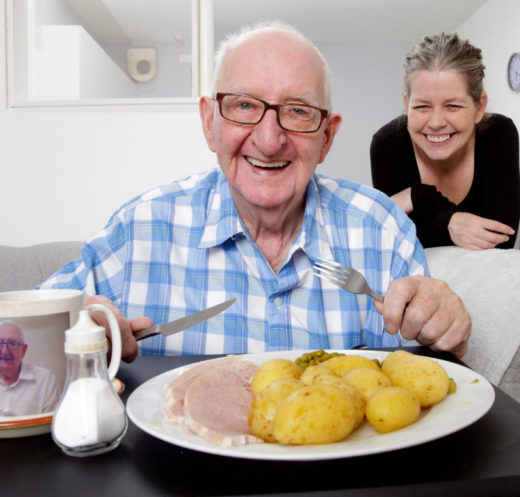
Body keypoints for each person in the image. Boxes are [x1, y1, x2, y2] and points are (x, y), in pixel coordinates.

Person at [39, 21, 470, 361]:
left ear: (327, 137)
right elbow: (20, 333)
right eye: (244, 106)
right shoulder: (140, 229)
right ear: (210, 123)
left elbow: (425, 374)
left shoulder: (380, 227)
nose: (268, 140)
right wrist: (73, 332)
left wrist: (443, 329)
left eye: (297, 111)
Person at [371, 33, 520, 250]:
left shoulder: (499, 134)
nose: (436, 123)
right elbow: (393, 242)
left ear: (479, 107)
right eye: (422, 106)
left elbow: (500, 239)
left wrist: (418, 199)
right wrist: (449, 224)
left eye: (453, 106)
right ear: (406, 104)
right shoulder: (388, 145)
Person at [0, 322, 60, 416]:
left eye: (12, 343)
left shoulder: (45, 380)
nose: (4, 350)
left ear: (23, 350)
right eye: (0, 342)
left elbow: (51, 425)